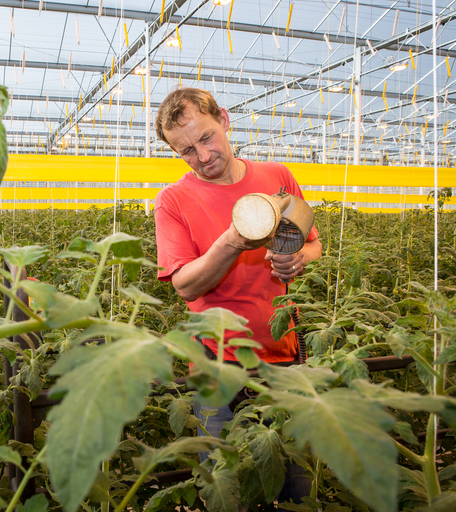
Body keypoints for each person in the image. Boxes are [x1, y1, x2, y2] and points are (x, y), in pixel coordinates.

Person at [153, 87, 322, 505]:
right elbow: (186, 284)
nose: (203, 156)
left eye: (206, 138)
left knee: (295, 482)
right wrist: (233, 240)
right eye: (186, 150)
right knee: (226, 484)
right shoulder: (173, 201)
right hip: (218, 364)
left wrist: (299, 258)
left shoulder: (278, 177)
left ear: (224, 120)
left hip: (284, 352)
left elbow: (313, 241)